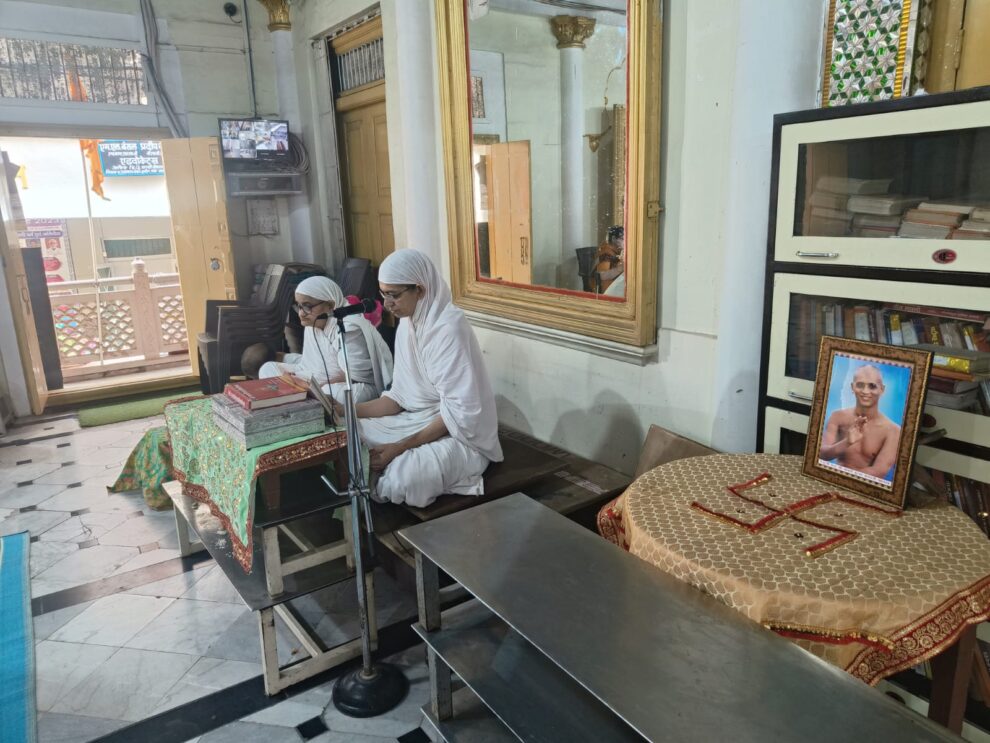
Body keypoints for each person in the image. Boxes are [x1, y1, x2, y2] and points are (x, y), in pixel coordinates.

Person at [351, 248, 503, 508]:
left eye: (394, 295)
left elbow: (459, 415)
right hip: (417, 419)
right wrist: (347, 411)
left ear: (420, 290)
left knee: (403, 480)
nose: (387, 304)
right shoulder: (407, 324)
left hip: (459, 434)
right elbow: (399, 397)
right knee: (351, 435)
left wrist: (399, 448)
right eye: (383, 294)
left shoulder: (449, 329)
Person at [258, 276, 393, 405]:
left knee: (331, 393)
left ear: (330, 305)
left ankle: (301, 395)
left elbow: (354, 377)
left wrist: (313, 385)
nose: (301, 313)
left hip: (354, 385)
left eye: (307, 306)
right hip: (318, 378)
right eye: (299, 306)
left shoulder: (349, 329)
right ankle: (305, 396)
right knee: (267, 369)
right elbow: (311, 364)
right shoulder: (312, 322)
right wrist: (302, 380)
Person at [818, 364, 901, 481]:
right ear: (852, 387)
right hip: (832, 480)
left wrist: (837, 476)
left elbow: (879, 472)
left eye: (872, 386)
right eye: (860, 385)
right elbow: (821, 454)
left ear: (882, 389)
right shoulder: (837, 417)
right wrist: (846, 442)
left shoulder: (893, 431)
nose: (865, 391)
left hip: (862, 487)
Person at [597, 225, 625, 297]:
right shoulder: (606, 253)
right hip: (605, 288)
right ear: (614, 239)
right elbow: (602, 276)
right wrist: (619, 269)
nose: (625, 241)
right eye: (622, 239)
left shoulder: (615, 250)